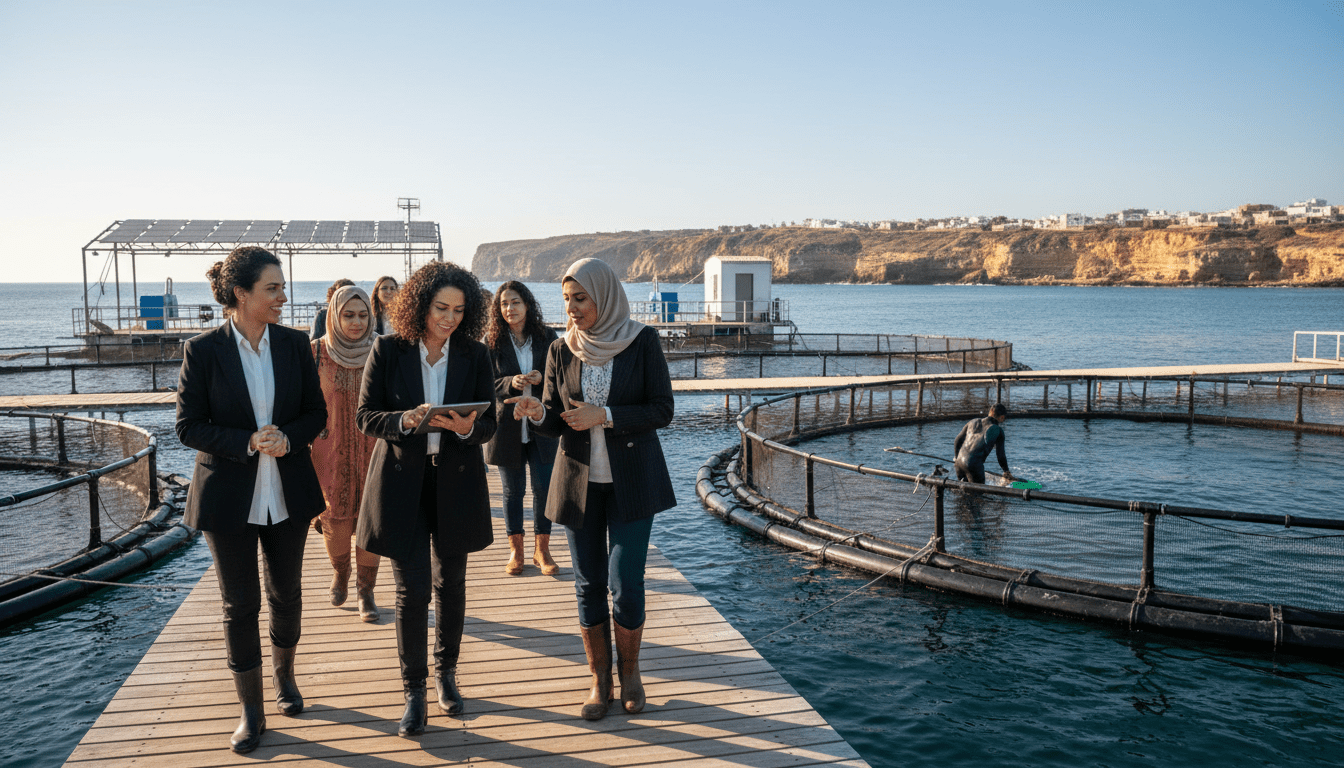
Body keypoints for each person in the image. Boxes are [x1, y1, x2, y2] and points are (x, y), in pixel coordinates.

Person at [508, 258, 676, 722]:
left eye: (579, 298)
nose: (572, 308)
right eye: (566, 300)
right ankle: (599, 678)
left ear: (604, 296)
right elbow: (551, 418)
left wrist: (605, 415)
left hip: (633, 484)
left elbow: (663, 408)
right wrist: (536, 413)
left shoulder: (642, 340)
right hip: (578, 483)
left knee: (626, 585)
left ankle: (632, 672)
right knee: (587, 585)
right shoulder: (561, 350)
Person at [176, 247, 327, 754]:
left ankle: (285, 678)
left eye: (282, 288)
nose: (283, 297)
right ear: (241, 294)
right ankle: (251, 710)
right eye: (273, 289)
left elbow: (316, 412)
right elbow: (187, 426)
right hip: (227, 497)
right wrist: (245, 441)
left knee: (287, 595)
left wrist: (289, 436)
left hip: (288, 491)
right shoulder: (201, 350)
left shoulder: (294, 344)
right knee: (239, 604)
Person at [355, 261, 497, 736]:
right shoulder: (388, 349)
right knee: (411, 591)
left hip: (455, 482)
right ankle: (413, 690)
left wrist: (469, 426)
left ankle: (447, 675)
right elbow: (366, 416)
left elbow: (491, 421)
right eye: (441, 308)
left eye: (459, 310)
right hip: (401, 484)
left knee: (450, 585)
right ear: (420, 304)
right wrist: (405, 421)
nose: (450, 318)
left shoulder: (476, 354)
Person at [310, 285, 381, 621]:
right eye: (348, 315)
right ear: (333, 317)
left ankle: (366, 590)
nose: (356, 322)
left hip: (375, 449)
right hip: (329, 451)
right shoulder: (315, 353)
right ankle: (341, 572)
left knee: (372, 519)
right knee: (334, 520)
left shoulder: (382, 351)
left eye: (363, 315)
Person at [484, 281, 561, 576]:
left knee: (543, 489)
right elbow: (484, 385)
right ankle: (515, 551)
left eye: (515, 302)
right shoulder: (490, 341)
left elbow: (561, 379)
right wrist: (509, 383)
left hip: (542, 425)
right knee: (512, 492)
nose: (509, 309)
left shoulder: (548, 338)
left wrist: (542, 377)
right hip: (507, 427)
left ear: (527, 304)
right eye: (504, 304)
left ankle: (542, 551)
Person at [953, 403, 1015, 485]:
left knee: (963, 492)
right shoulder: (998, 430)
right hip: (974, 465)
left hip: (959, 463)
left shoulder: (972, 422)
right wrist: (1006, 471)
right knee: (977, 495)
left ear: (991, 411)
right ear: (1002, 417)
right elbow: (1001, 455)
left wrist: (956, 458)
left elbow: (957, 441)